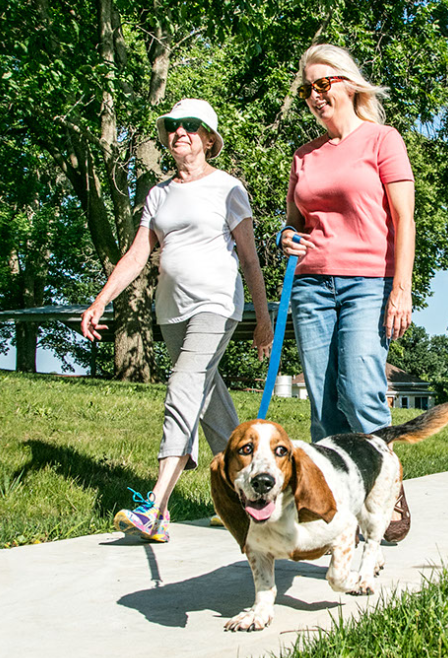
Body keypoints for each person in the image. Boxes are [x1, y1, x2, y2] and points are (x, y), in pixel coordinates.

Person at [80, 98, 271, 543]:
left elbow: (250, 258)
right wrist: (102, 299)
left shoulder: (228, 188)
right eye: (173, 126)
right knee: (207, 403)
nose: (179, 132)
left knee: (183, 386)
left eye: (191, 126)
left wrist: (261, 317)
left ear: (208, 138)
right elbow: (137, 253)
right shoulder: (158, 194)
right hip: (171, 312)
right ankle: (250, 497)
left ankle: (158, 506)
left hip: (216, 304)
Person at [280, 44, 416, 542]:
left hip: (368, 283)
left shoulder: (382, 140)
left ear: (349, 84)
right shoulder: (303, 156)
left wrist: (401, 288)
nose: (315, 95)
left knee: (361, 391)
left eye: (323, 83)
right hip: (311, 285)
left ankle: (388, 485)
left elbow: (404, 219)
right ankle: (337, 506)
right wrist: (284, 238)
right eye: (306, 89)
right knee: (325, 406)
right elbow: (292, 227)